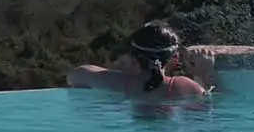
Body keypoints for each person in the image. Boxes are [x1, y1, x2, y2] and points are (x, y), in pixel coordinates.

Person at [66, 20, 216, 100]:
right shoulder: (182, 86)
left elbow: (75, 75)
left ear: (133, 57)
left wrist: (120, 72)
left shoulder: (118, 82)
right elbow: (207, 112)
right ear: (174, 58)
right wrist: (204, 73)